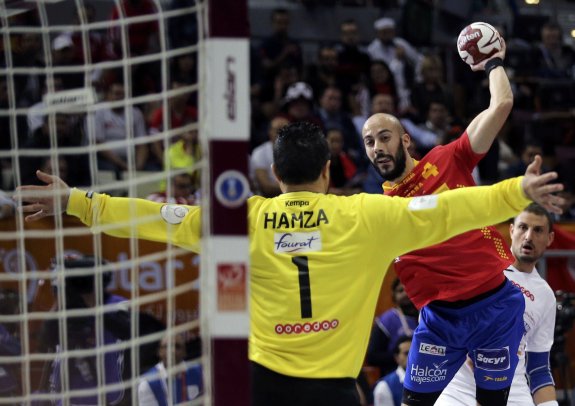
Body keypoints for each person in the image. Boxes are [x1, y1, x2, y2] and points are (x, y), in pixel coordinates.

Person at [18, 121, 564, 406]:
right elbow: (449, 207)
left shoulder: (246, 218)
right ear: (328, 171)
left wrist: (77, 202)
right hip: (329, 392)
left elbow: (160, 216)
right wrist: (517, 189)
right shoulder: (365, 216)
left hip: (258, 386)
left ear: (274, 174)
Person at [361, 37, 535, 405]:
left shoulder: (446, 159)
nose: (377, 147)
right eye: (368, 142)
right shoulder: (378, 211)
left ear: (405, 140)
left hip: (496, 308)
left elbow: (501, 104)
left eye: (384, 137)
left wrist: (493, 63)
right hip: (439, 322)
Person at [436, 203, 558, 406]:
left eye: (538, 230)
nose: (528, 237)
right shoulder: (482, 267)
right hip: (460, 388)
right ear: (511, 230)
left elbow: (538, 368)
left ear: (550, 239)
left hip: (512, 392)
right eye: (523, 227)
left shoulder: (545, 295)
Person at [37, 254, 131, 406]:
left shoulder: (116, 305)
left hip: (102, 395)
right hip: (64, 395)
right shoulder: (62, 311)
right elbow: (46, 344)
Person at [366, 279, 418, 377]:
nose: (405, 293)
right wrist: (401, 355)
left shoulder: (427, 317)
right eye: (400, 290)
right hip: (395, 377)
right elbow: (372, 357)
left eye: (409, 289)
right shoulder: (386, 320)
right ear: (394, 295)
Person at [138, 333, 203, 405]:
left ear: (184, 352)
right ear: (159, 352)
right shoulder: (148, 382)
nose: (172, 351)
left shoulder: (199, 371)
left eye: (177, 346)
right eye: (166, 346)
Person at [373, 336, 412, 406]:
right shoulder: (384, 386)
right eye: (406, 353)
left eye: (415, 353)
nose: (412, 356)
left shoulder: (429, 379)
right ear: (397, 358)